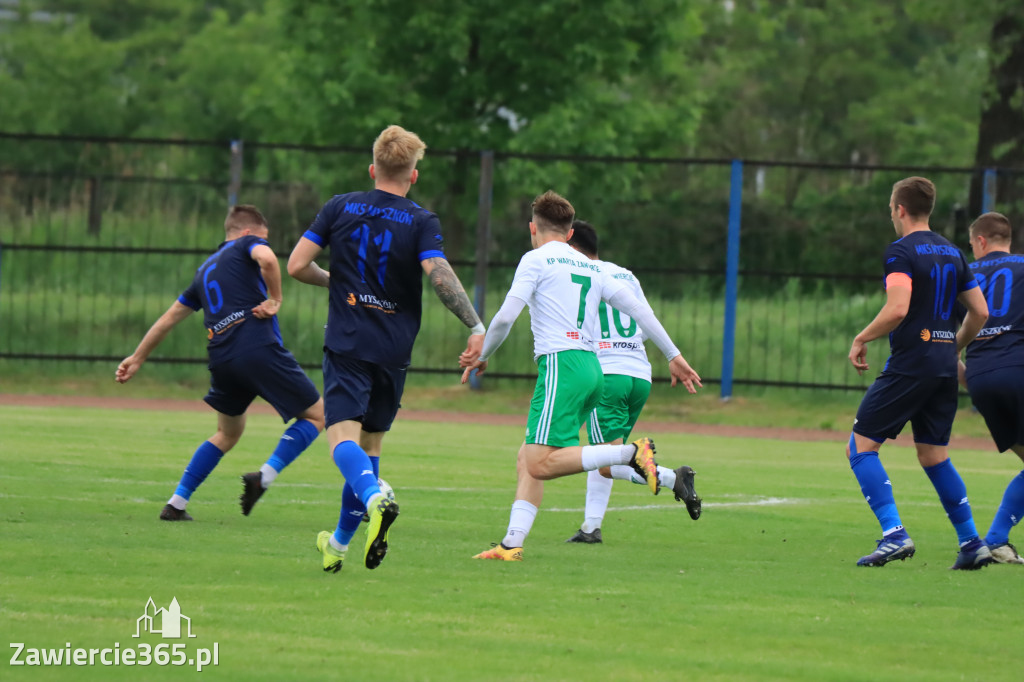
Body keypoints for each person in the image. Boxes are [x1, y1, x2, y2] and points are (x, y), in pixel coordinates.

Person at [459, 191, 702, 561]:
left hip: (563, 365)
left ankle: (629, 452)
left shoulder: (535, 259)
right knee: (528, 455)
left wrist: (483, 355)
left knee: (539, 463)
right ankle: (510, 544)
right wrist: (674, 354)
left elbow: (506, 317)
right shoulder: (593, 267)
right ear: (571, 233)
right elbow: (639, 310)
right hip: (593, 369)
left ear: (532, 228)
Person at [287, 124, 485, 573]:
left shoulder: (340, 206)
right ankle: (336, 546)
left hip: (348, 342)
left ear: (372, 167)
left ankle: (377, 499)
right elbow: (438, 273)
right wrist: (475, 324)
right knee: (370, 446)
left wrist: (332, 280)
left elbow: (297, 265)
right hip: (394, 349)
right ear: (413, 176)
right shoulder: (421, 219)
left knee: (341, 437)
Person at [116, 205, 325, 521]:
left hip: (222, 357)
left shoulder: (203, 271)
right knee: (318, 415)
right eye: (262, 238)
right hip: (256, 347)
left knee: (227, 433)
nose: (265, 244)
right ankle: (264, 477)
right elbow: (268, 260)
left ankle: (176, 504)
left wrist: (138, 356)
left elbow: (170, 317)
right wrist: (276, 298)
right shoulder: (246, 245)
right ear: (246, 233)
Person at [845, 176, 991, 570]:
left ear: (900, 210)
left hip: (911, 364)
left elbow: (897, 308)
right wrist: (952, 347)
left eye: (891, 209)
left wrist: (862, 337)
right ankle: (972, 542)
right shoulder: (953, 252)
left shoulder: (900, 251)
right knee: (934, 455)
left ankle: (894, 534)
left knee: (860, 447)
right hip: (943, 366)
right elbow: (980, 312)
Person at [561, 221, 701, 545]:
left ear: (572, 247)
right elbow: (643, 314)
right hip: (639, 375)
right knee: (606, 455)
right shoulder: (625, 274)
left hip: (607, 375)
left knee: (608, 460)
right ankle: (590, 528)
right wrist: (672, 355)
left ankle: (672, 478)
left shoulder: (577, 275)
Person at [957, 212, 1024, 564]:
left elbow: (941, 343)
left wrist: (971, 380)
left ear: (981, 241)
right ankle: (996, 539)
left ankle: (997, 539)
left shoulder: (963, 275)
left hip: (982, 378)